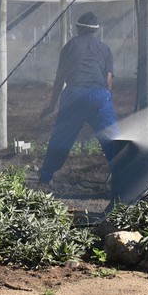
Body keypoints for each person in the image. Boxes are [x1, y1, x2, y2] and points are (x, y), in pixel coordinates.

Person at [38, 12, 120, 186]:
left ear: (78, 28)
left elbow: (60, 78)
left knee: (61, 138)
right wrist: (106, 99)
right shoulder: (105, 49)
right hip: (99, 95)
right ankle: (122, 175)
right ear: (95, 30)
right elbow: (108, 79)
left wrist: (52, 105)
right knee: (113, 139)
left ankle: (46, 177)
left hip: (74, 94)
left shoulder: (70, 46)